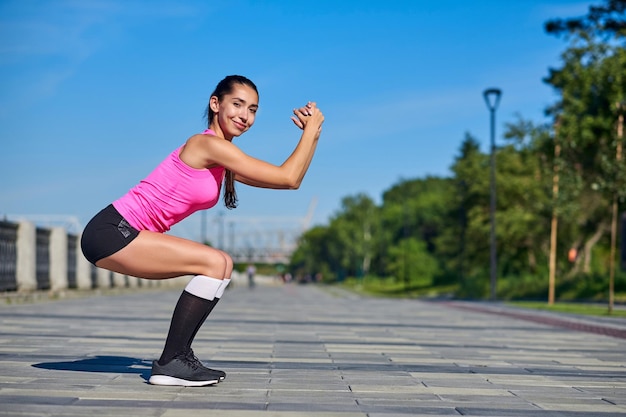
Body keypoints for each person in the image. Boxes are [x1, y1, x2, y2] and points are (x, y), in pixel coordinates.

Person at [80, 75, 324, 387]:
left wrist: (311, 136)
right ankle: (171, 361)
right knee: (214, 261)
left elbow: (292, 180)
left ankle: (178, 357)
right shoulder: (206, 145)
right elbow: (287, 177)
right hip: (113, 230)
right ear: (215, 104)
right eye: (237, 104)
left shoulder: (221, 158)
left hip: (120, 232)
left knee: (221, 264)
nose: (244, 115)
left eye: (252, 109)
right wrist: (313, 129)